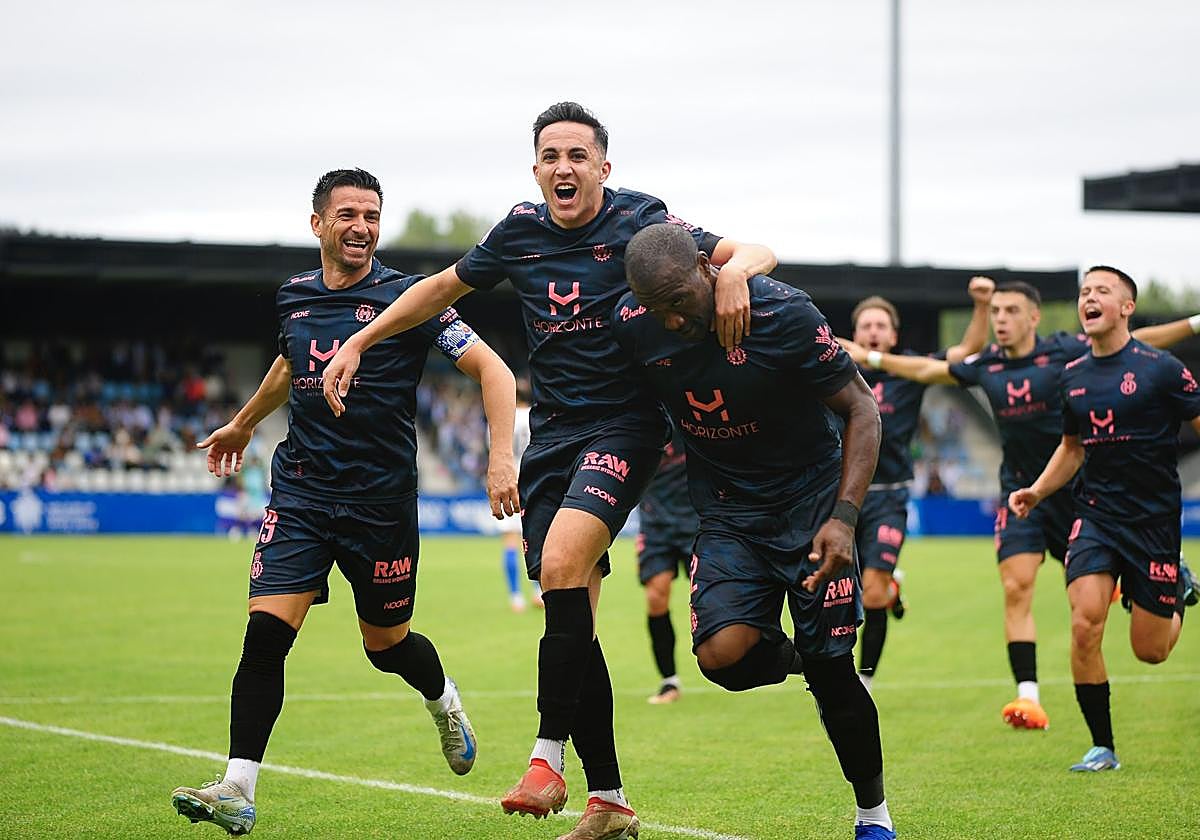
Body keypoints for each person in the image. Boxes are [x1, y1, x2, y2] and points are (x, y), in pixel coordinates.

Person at [319, 103, 775, 840]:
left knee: (563, 564)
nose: (564, 166)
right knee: (572, 612)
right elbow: (438, 289)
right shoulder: (518, 233)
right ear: (536, 169)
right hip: (552, 441)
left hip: (626, 427)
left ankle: (545, 755)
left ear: (603, 166)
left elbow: (755, 250)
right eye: (550, 155)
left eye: (577, 154)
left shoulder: (642, 221)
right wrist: (360, 341)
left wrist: (732, 277)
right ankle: (610, 803)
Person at [170, 168, 519, 836]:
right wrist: (244, 423)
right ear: (317, 224)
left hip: (380, 504)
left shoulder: (409, 299)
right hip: (300, 491)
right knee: (266, 633)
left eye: (372, 215)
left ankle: (442, 700)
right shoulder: (294, 296)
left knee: (386, 646)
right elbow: (289, 363)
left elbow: (493, 370)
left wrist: (501, 456)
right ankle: (238, 787)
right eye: (348, 214)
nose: (361, 227)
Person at [615, 223, 895, 840]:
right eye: (654, 309)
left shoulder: (782, 312)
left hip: (812, 506)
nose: (670, 322)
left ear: (708, 272)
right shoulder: (636, 324)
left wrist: (845, 518)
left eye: (679, 304)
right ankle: (807, 660)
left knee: (836, 676)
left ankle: (873, 815)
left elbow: (861, 409)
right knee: (722, 658)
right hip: (728, 513)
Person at [841, 280, 1200, 730]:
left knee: (1127, 626)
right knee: (1017, 586)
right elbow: (930, 372)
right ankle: (1028, 697)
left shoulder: (1062, 352)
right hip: (1018, 494)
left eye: (1010, 311)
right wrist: (870, 360)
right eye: (996, 312)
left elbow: (1136, 344)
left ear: (1033, 317)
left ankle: (1166, 578)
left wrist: (1192, 323)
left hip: (1078, 496)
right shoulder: (986, 365)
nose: (1001, 320)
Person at [1008, 266, 1200, 771]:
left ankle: (1176, 581)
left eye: (1102, 291)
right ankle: (1103, 746)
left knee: (1150, 652)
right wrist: (1037, 491)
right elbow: (1072, 448)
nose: (1089, 298)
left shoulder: (1161, 368)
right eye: (1084, 292)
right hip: (1094, 514)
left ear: (1127, 307)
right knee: (1084, 622)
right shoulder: (1071, 376)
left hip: (1154, 521)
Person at [843, 277, 994, 690]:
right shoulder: (837, 367)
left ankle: (865, 679)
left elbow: (966, 355)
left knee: (871, 594)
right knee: (838, 590)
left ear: (893, 334)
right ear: (854, 333)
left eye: (881, 325)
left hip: (890, 496)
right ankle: (888, 585)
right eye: (866, 326)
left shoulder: (908, 371)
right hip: (840, 495)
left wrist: (981, 307)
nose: (873, 331)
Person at [635, 428, 699, 704]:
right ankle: (669, 681)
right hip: (656, 523)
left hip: (696, 520)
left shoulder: (686, 412)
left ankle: (730, 659)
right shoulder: (639, 420)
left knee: (707, 599)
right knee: (656, 596)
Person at [498, 382, 542, 611]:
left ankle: (515, 596)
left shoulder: (504, 417)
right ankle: (538, 592)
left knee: (511, 541)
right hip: (532, 478)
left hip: (507, 480)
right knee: (533, 538)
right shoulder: (534, 417)